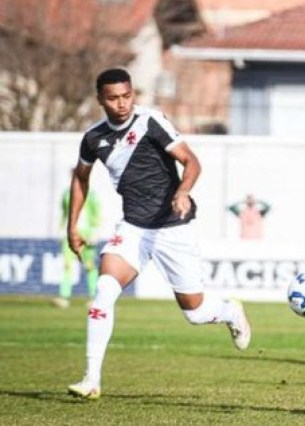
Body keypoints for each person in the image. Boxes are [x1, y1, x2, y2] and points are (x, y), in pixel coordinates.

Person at [66, 68, 251, 400]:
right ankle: (91, 379)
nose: (122, 104)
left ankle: (229, 311)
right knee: (104, 291)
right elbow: (80, 178)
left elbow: (191, 161)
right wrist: (73, 225)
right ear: (100, 100)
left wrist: (182, 192)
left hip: (172, 226)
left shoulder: (151, 122)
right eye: (113, 98)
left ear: (133, 94)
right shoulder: (93, 138)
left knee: (195, 313)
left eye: (127, 96)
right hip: (134, 228)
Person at [55, 169, 102, 309]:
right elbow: (64, 213)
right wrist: (61, 228)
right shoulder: (66, 194)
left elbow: (96, 214)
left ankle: (94, 297)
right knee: (67, 265)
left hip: (87, 233)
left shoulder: (92, 195)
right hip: (70, 233)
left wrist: (95, 232)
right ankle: (64, 297)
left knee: (89, 266)